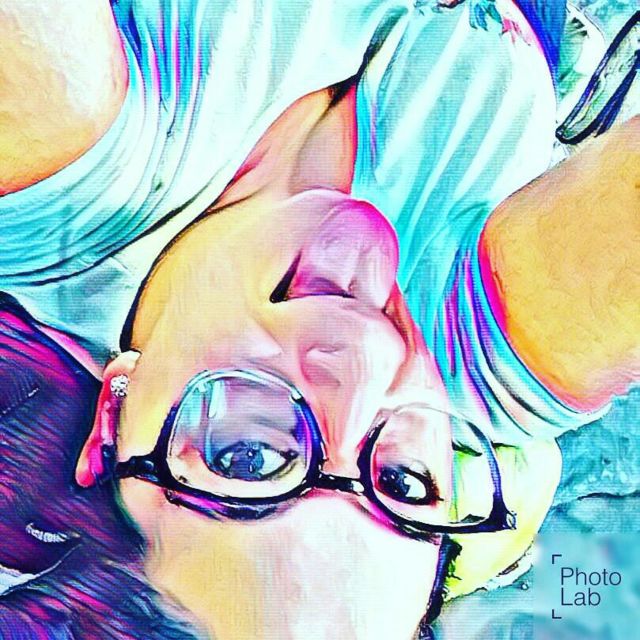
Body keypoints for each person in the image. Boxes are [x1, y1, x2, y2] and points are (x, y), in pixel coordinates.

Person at [0, 1, 638, 638]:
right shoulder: (476, 366)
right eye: (403, 483)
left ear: (113, 414)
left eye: (248, 459)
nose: (366, 360)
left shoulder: (63, 162)